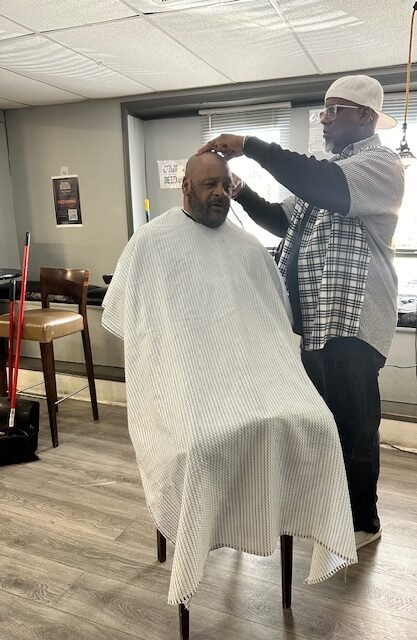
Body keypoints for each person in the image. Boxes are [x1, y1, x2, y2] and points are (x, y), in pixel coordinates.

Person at [102, 152, 356, 607]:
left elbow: (274, 324)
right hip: (186, 383)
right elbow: (135, 327)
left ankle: (280, 519)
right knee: (199, 444)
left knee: (318, 424)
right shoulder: (150, 244)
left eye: (225, 184)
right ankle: (195, 540)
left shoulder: (248, 248)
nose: (220, 193)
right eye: (209, 185)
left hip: (261, 379)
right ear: (185, 187)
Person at [198, 75, 405, 550]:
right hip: (316, 323)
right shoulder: (333, 171)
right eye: (323, 110)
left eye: (334, 110)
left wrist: (250, 145)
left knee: (354, 425)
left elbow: (324, 186)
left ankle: (363, 522)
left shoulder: (380, 166)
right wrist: (240, 191)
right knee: (323, 422)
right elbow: (281, 220)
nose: (324, 119)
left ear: (365, 116)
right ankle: (329, 507)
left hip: (352, 322)